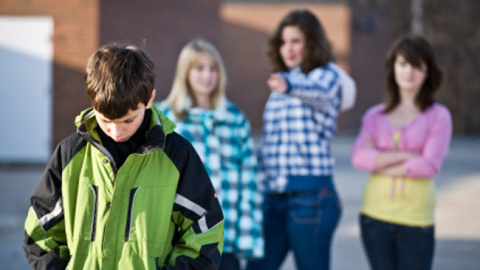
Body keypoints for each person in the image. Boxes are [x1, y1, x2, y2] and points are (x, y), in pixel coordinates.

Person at [22, 43, 224, 269]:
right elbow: (40, 230)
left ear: (149, 99)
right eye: (105, 120)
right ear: (92, 103)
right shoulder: (69, 153)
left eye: (128, 120)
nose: (117, 132)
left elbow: (206, 230)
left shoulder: (177, 155)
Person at [247, 9, 356, 270]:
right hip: (273, 195)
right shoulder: (281, 86)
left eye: (296, 41)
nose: (289, 48)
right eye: (284, 42)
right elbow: (273, 143)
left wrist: (290, 85)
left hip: (311, 198)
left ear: (312, 42)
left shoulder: (327, 75)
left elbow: (319, 94)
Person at [157, 39, 264, 270]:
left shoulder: (234, 118)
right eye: (199, 68)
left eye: (213, 68)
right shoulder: (165, 119)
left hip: (226, 240)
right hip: (182, 241)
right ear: (185, 73)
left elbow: (249, 182)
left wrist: (247, 239)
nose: (208, 76)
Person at [351, 35, 452, 270]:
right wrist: (406, 157)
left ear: (428, 72)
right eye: (403, 64)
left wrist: (379, 161)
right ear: (392, 68)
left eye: (417, 66)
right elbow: (358, 157)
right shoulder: (375, 116)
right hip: (374, 216)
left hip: (415, 218)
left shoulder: (438, 116)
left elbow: (429, 166)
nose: (409, 72)